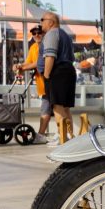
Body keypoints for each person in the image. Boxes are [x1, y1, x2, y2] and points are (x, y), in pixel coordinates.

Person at [38, 12, 77, 144]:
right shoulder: (65, 35)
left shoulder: (51, 34)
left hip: (58, 72)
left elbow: (50, 56)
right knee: (65, 107)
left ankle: (63, 137)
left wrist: (47, 75)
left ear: (51, 22)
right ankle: (69, 136)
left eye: (43, 20)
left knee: (57, 106)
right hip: (68, 71)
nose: (41, 22)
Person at [14, 26, 51, 144]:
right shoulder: (33, 47)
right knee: (51, 110)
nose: (36, 35)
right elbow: (28, 63)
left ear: (43, 33)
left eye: (38, 33)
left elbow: (39, 62)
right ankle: (62, 134)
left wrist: (22, 67)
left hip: (50, 83)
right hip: (42, 84)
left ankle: (41, 135)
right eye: (34, 33)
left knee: (46, 110)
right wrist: (19, 66)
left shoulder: (47, 46)